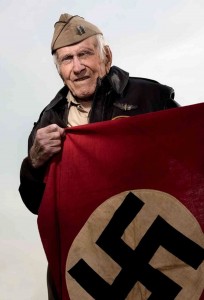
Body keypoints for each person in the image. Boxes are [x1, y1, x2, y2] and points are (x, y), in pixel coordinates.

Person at [19, 13, 179, 299]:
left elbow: (188, 163)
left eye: (85, 54)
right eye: (67, 59)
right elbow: (35, 204)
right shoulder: (48, 121)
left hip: (156, 247)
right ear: (59, 69)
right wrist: (34, 162)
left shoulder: (151, 97)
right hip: (90, 260)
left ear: (106, 55)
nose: (78, 67)